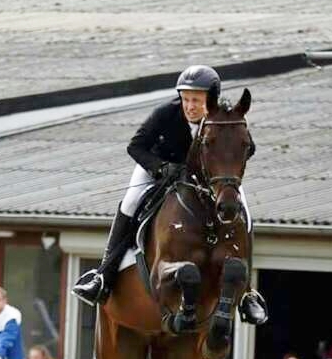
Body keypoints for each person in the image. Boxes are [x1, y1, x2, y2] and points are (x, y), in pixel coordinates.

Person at [71, 64, 267, 326]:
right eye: (186, 99)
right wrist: (161, 167)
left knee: (245, 212)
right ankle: (103, 275)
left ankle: (247, 294)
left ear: (211, 99)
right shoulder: (166, 114)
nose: (190, 106)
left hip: (210, 179)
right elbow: (135, 146)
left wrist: (224, 170)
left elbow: (248, 148)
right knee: (130, 203)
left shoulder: (225, 119)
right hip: (158, 169)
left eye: (196, 100)